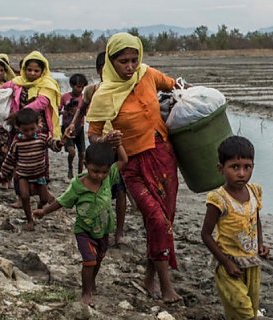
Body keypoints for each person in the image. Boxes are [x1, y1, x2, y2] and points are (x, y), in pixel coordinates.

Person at [86, 32, 183, 303]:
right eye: (123, 61)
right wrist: (105, 140)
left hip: (163, 156)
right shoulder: (103, 95)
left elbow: (175, 86)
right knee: (156, 219)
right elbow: (92, 133)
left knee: (165, 221)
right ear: (111, 63)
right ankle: (167, 287)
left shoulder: (148, 74)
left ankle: (150, 277)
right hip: (133, 165)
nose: (129, 66)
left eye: (134, 59)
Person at [201, 136, 270, 320]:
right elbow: (206, 234)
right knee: (249, 319)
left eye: (247, 167)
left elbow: (256, 219)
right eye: (235, 167)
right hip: (229, 267)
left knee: (247, 315)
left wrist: (261, 244)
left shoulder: (254, 192)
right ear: (222, 169)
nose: (242, 173)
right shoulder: (218, 199)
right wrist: (226, 262)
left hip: (252, 265)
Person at [33, 141, 128, 305]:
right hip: (84, 231)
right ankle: (86, 292)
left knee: (99, 259)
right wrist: (45, 211)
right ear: (86, 165)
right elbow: (62, 201)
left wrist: (119, 144)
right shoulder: (77, 186)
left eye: (104, 172)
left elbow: (123, 160)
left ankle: (91, 282)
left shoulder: (108, 179)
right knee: (89, 260)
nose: (99, 176)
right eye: (95, 171)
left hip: (103, 230)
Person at [68, 52, 128, 246]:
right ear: (99, 71)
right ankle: (95, 225)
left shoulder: (125, 88)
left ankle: (118, 230)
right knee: (98, 186)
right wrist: (73, 125)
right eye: (104, 70)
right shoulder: (92, 90)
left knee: (120, 190)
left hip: (120, 145)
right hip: (100, 145)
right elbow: (82, 109)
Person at [0, 108, 60, 231]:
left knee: (43, 199)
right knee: (25, 196)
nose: (29, 132)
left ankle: (39, 209)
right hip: (23, 175)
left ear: (38, 125)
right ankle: (29, 220)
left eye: (32, 129)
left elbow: (54, 146)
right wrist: (3, 173)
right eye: (25, 130)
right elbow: (10, 159)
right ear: (18, 128)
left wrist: (61, 142)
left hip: (39, 175)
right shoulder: (17, 142)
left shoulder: (42, 138)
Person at [60, 73, 87, 179]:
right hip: (67, 128)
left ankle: (79, 175)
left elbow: (87, 112)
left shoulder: (84, 98)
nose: (80, 89)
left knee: (82, 154)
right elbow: (58, 109)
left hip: (79, 128)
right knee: (71, 152)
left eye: (82, 87)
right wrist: (65, 111)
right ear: (72, 85)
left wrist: (80, 112)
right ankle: (70, 167)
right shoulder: (65, 97)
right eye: (78, 86)